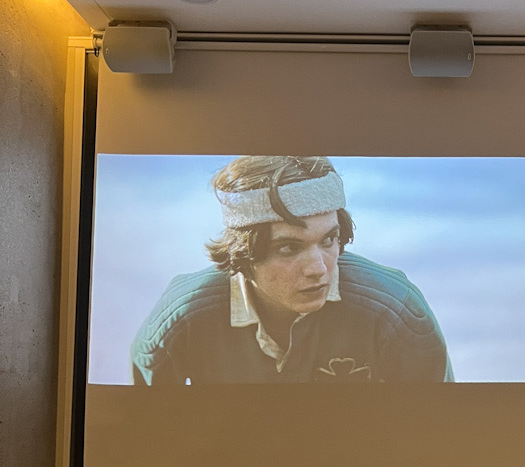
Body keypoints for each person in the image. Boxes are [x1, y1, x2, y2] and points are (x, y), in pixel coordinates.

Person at [130, 155, 453, 384]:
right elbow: (144, 435)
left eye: (329, 240)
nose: (319, 268)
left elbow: (436, 433)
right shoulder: (180, 319)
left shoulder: (397, 311)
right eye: (288, 248)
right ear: (244, 254)